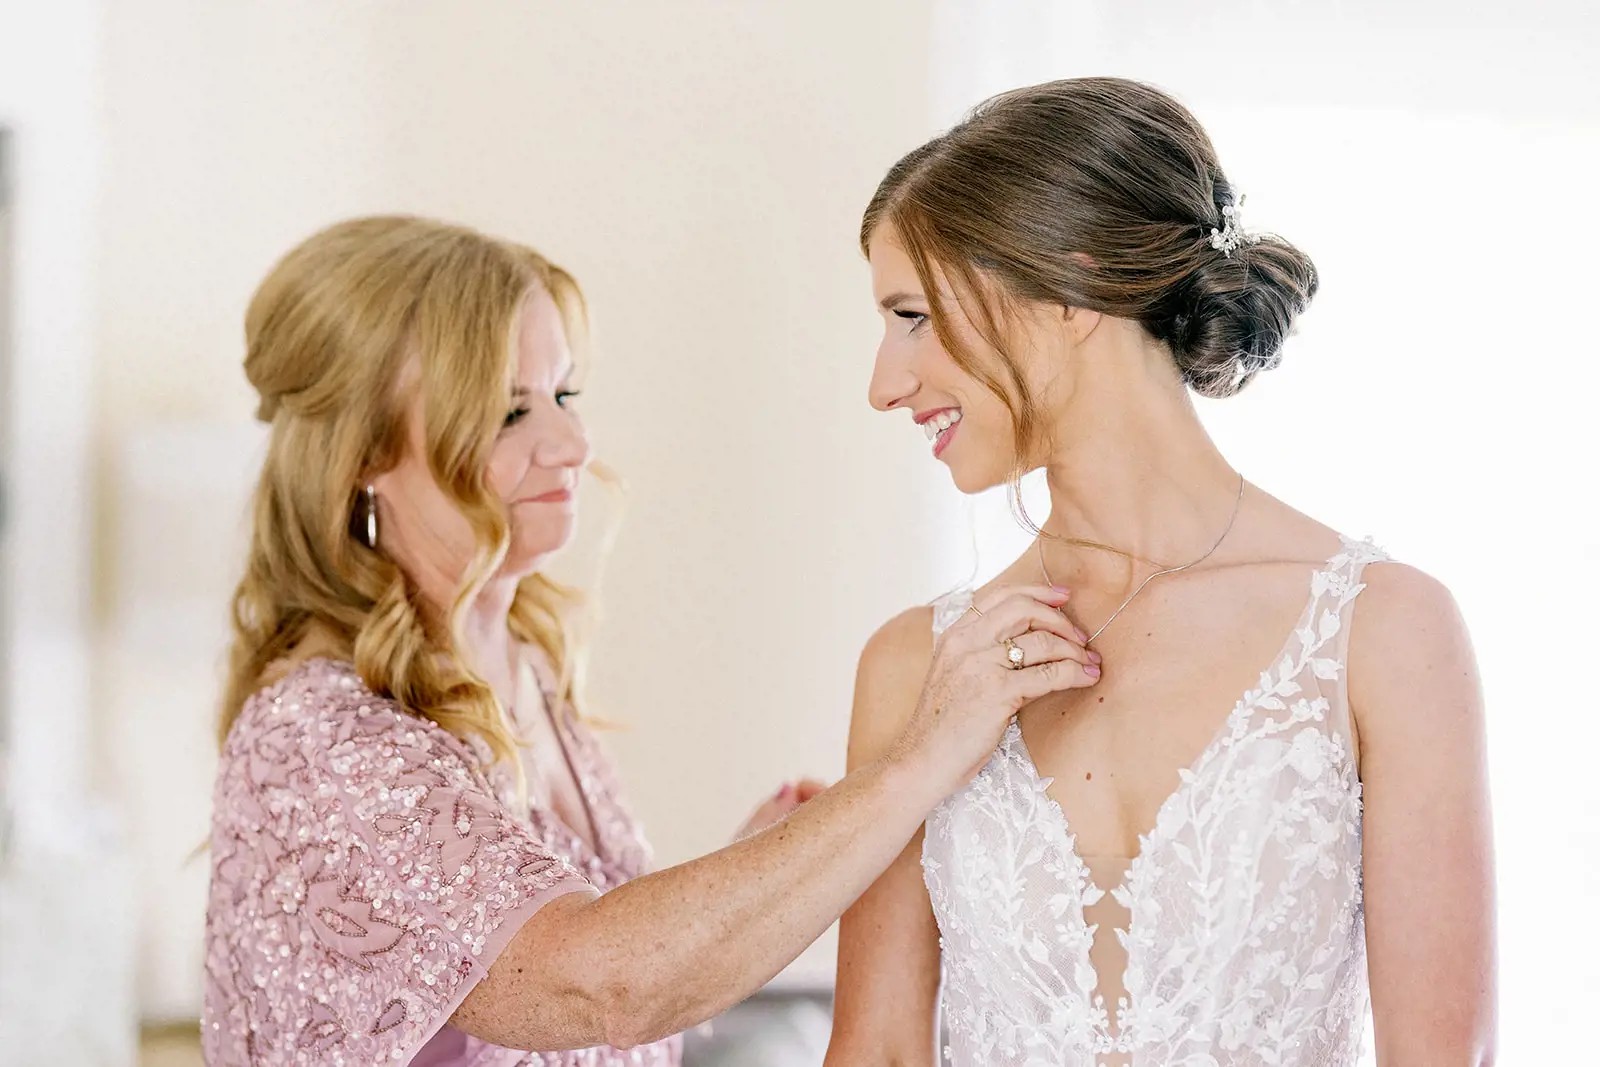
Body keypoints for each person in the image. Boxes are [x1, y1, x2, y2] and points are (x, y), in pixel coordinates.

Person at [200, 215, 1100, 1065]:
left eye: (562, 393)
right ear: (362, 455)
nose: (571, 441)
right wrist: (921, 756)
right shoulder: (322, 739)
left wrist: (752, 868)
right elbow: (598, 985)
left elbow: (569, 1004)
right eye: (508, 412)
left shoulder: (521, 667)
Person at [827, 78, 1497, 1065]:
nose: (885, 382)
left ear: (1066, 290)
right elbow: (878, 1049)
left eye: (912, 314)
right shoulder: (913, 664)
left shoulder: (1384, 630)